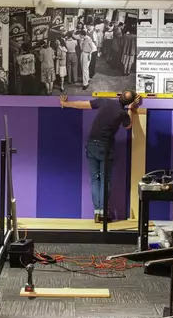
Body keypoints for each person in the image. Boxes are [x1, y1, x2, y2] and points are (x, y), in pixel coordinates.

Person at [59, 90, 142, 223]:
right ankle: (104, 212)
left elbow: (82, 104)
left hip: (91, 144)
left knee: (95, 179)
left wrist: (65, 103)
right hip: (105, 147)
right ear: (130, 102)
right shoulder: (122, 114)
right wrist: (131, 109)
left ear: (119, 95)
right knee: (105, 180)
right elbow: (129, 126)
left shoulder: (104, 101)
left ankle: (97, 212)